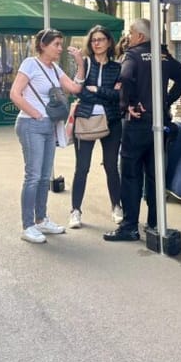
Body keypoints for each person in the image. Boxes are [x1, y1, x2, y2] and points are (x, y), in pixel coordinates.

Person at [105, 18, 181, 241]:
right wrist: (167, 100)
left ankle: (129, 227)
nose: (129, 37)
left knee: (131, 174)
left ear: (140, 36)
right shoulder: (164, 55)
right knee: (155, 175)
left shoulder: (133, 54)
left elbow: (124, 77)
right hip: (159, 121)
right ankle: (155, 223)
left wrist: (127, 105)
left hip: (137, 123)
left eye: (131, 33)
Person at [10, 28, 85, 244]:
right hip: (31, 124)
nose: (60, 49)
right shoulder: (30, 64)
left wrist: (80, 64)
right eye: (56, 45)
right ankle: (28, 225)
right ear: (43, 45)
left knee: (44, 177)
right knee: (33, 176)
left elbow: (74, 88)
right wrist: (37, 114)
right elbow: (15, 93)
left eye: (61, 45)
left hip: (49, 126)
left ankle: (41, 218)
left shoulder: (55, 68)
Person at [68, 25, 123, 229]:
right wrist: (104, 93)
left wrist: (98, 90)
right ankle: (75, 210)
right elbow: (79, 91)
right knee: (82, 168)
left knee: (111, 166)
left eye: (101, 39)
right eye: (94, 40)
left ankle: (116, 206)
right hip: (85, 120)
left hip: (111, 121)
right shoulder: (86, 64)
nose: (97, 43)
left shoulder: (117, 68)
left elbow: (119, 97)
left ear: (109, 42)